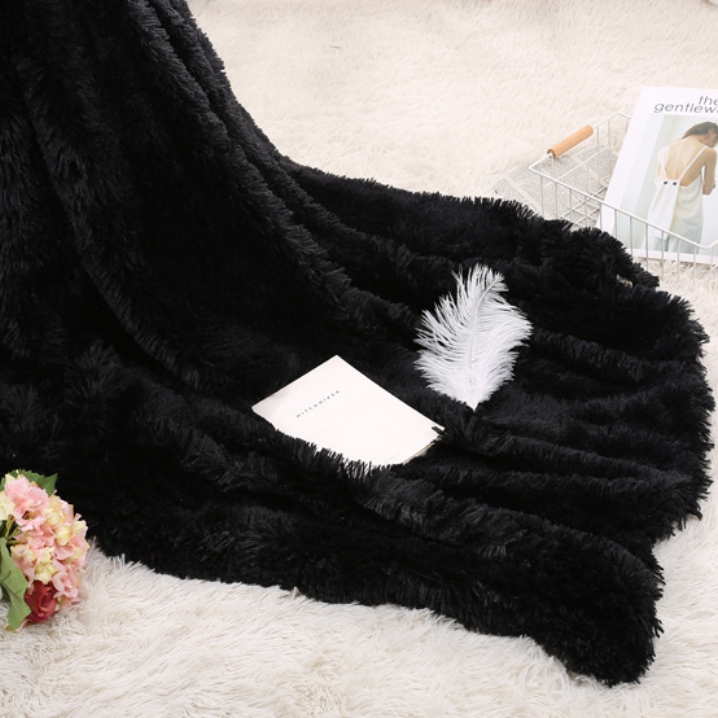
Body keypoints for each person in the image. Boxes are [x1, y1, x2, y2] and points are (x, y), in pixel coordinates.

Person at [644, 121, 718, 253]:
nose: (714, 144)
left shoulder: (663, 150)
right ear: (711, 131)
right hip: (687, 219)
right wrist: (712, 183)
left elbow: (659, 182)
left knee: (651, 257)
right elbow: (707, 190)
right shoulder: (709, 153)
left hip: (659, 215)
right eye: (716, 140)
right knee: (681, 261)